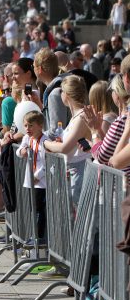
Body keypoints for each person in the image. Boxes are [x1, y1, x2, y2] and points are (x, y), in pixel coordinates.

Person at [44, 75, 91, 207]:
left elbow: (65, 148)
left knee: (78, 216)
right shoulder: (76, 116)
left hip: (80, 172)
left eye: (62, 91)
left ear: (67, 95)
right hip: (74, 170)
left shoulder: (81, 116)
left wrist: (45, 143)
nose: (61, 95)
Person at [16, 111, 48, 241]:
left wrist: (38, 176)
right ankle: (33, 235)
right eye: (25, 126)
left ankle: (38, 237)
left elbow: (47, 163)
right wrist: (22, 151)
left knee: (39, 210)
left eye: (31, 126)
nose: (27, 129)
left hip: (41, 182)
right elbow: (19, 151)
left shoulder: (45, 141)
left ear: (40, 126)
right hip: (29, 180)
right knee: (32, 209)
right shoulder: (27, 138)